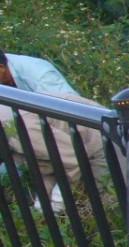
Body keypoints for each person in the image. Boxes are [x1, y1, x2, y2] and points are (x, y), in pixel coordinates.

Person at [1, 50, 107, 214]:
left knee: (105, 208)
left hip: (99, 141)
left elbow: (72, 157)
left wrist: (55, 204)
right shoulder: (12, 128)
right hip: (66, 147)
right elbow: (48, 165)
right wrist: (42, 206)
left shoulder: (39, 77)